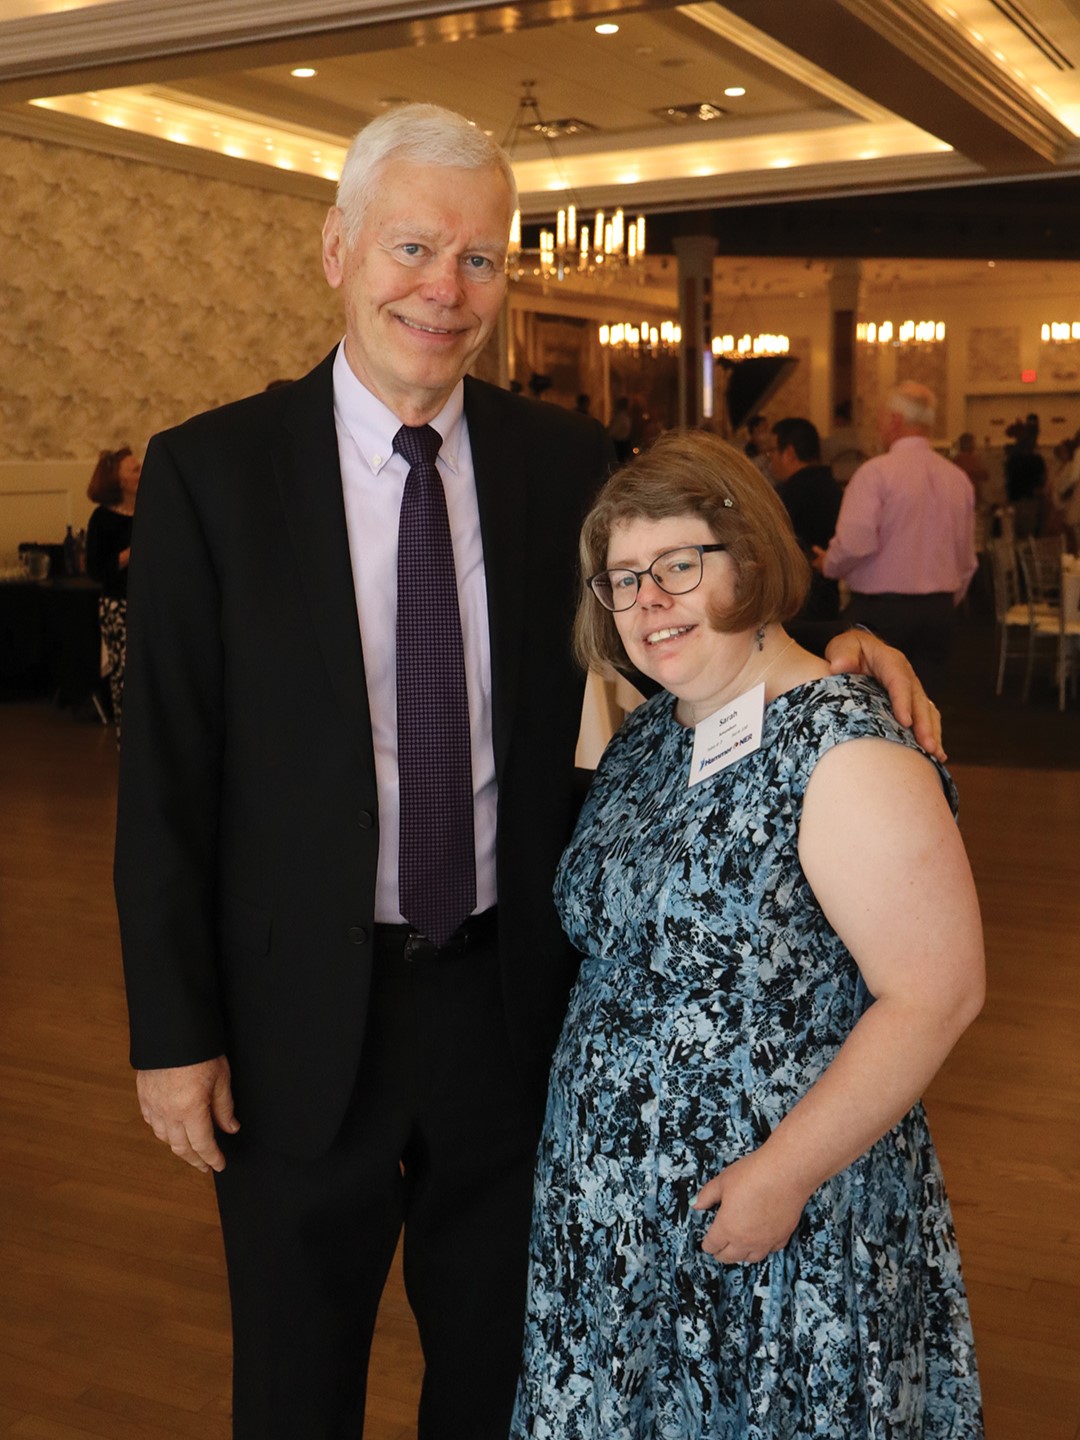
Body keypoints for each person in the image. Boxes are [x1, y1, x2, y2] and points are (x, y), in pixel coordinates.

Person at [115, 104, 941, 1440]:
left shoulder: (561, 463)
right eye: (412, 247)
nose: (443, 289)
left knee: (505, 1369)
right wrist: (172, 1034)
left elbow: (684, 629)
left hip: (517, 1004)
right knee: (290, 1372)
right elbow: (164, 773)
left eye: (482, 260)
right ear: (336, 250)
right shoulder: (213, 472)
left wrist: (839, 647)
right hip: (291, 1013)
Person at [513, 429, 985, 1437]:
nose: (649, 602)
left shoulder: (848, 748)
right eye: (624, 579)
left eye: (681, 565)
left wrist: (781, 1178)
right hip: (614, 1209)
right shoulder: (651, 731)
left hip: (773, 1210)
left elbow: (936, 993)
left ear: (755, 559)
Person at [813, 381, 977, 698]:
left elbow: (854, 544)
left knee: (872, 708)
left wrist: (828, 565)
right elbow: (967, 561)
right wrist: (939, 600)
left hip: (881, 613)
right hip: (938, 612)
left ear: (894, 420)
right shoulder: (957, 479)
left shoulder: (876, 473)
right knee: (924, 706)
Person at [85, 445, 141, 739]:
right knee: (126, 677)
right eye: (135, 469)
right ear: (120, 481)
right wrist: (131, 553)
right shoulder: (102, 520)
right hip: (119, 606)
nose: (142, 471)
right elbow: (96, 569)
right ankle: (127, 740)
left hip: (148, 603)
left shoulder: (150, 509)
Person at [769, 416, 843, 634]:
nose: (770, 459)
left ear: (789, 452)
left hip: (799, 607)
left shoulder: (789, 495)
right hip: (829, 601)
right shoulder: (832, 487)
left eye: (772, 451)